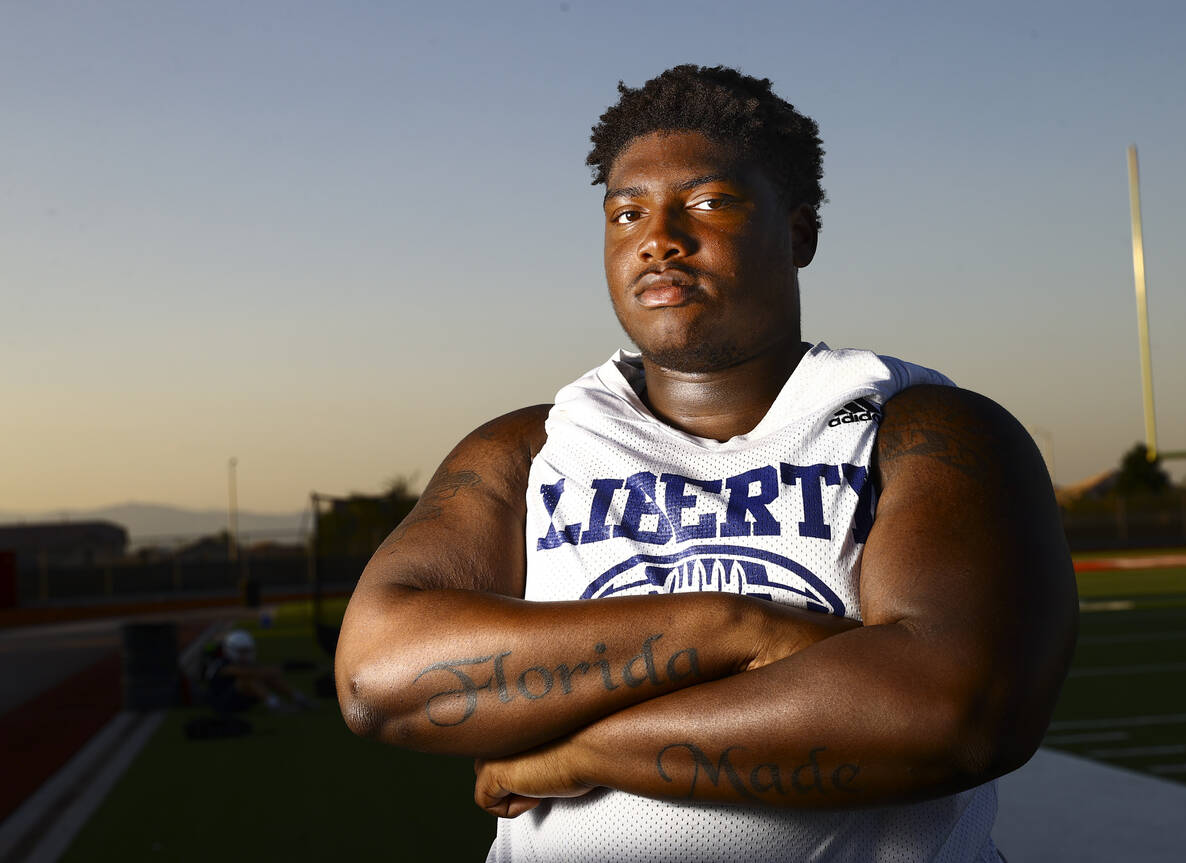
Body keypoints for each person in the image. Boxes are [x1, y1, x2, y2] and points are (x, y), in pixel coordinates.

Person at [335, 65, 1077, 862]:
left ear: (799, 232)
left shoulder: (927, 431)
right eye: (627, 213)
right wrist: (738, 628)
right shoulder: (527, 449)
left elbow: (955, 712)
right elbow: (379, 676)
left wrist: (575, 751)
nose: (659, 236)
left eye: (708, 203)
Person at [205, 629, 312, 714]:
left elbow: (258, 672)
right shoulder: (221, 664)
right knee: (248, 679)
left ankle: (299, 698)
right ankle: (276, 706)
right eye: (242, 651)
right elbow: (246, 673)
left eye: (247, 650)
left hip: (240, 700)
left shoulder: (243, 663)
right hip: (222, 704)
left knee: (267, 677)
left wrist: (272, 672)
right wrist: (275, 669)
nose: (245, 654)